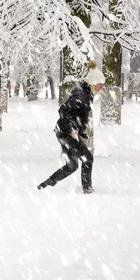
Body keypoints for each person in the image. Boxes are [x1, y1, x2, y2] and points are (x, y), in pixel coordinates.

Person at [37, 65, 105, 194]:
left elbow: (77, 114)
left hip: (63, 132)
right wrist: (73, 129)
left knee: (71, 166)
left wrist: (79, 129)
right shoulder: (81, 94)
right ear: (92, 82)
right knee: (87, 158)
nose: (101, 87)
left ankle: (46, 184)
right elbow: (63, 110)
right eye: (100, 84)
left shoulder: (86, 93)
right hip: (66, 132)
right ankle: (87, 189)